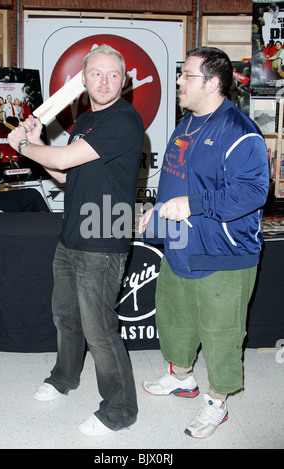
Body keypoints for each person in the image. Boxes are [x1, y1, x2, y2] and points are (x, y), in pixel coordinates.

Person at [8, 45, 144, 436]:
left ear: (125, 80)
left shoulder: (125, 120)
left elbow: (64, 160)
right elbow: (65, 175)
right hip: (72, 235)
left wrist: (22, 144)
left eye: (113, 74)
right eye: (96, 74)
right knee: (65, 317)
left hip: (103, 239)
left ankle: (120, 409)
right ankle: (63, 378)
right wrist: (37, 141)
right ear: (83, 80)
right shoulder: (86, 119)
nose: (104, 81)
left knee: (99, 330)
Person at [139, 46, 269, 439]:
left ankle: (217, 402)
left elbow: (253, 193)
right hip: (180, 244)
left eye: (187, 75)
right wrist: (158, 209)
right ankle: (181, 377)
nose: (179, 81)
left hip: (224, 254)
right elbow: (178, 176)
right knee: (175, 318)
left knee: (221, 334)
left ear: (213, 83)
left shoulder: (240, 132)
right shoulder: (188, 122)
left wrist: (192, 205)